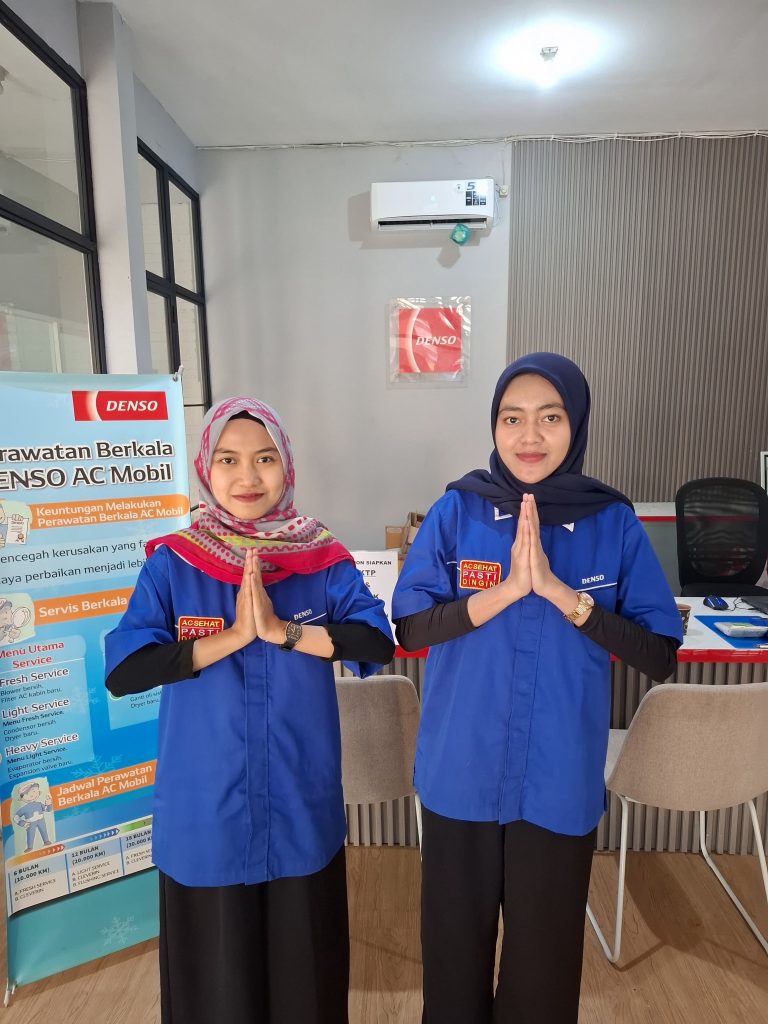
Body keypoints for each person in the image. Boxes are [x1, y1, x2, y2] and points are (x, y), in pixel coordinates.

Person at [392, 352, 682, 1024]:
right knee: (453, 961)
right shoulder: (458, 510)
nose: (529, 436)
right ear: (493, 426)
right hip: (462, 769)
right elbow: (409, 627)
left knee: (543, 972)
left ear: (575, 424)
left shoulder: (612, 522)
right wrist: (504, 593)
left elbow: (659, 653)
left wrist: (559, 594)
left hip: (557, 776)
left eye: (550, 418)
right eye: (512, 417)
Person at [105, 396, 394, 1024]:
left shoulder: (320, 559)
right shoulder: (174, 563)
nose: (247, 477)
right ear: (205, 469)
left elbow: (375, 642)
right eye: (228, 460)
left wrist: (284, 632)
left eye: (264, 459)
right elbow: (125, 670)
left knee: (303, 989)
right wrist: (234, 637)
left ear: (286, 467)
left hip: (297, 805)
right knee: (218, 994)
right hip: (206, 814)